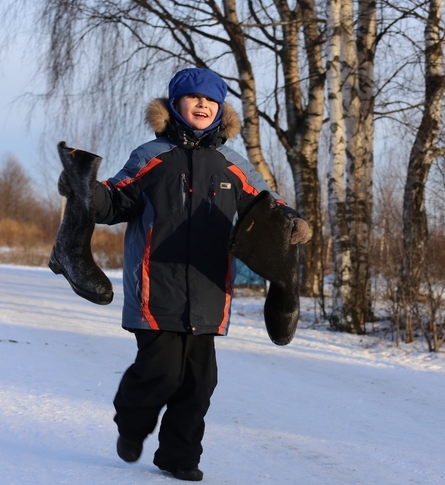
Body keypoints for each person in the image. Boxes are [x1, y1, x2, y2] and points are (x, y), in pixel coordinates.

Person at [59, 68, 310, 481]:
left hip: (210, 291)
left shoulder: (232, 164)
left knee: (199, 383)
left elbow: (267, 205)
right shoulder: (152, 156)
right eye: (192, 98)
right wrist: (83, 186)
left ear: (220, 110)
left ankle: (179, 457)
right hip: (156, 289)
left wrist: (291, 220)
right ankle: (132, 423)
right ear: (174, 106)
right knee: (160, 373)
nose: (202, 104)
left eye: (210, 100)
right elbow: (113, 203)